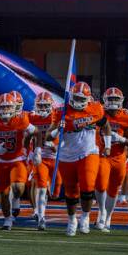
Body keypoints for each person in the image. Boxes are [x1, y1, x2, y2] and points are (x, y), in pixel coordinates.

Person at [49, 81, 111, 236]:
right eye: (76, 97)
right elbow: (48, 136)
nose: (78, 101)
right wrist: (58, 130)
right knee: (71, 192)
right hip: (67, 154)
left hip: (88, 152)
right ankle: (72, 220)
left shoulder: (96, 109)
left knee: (88, 186)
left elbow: (106, 126)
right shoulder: (61, 111)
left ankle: (85, 217)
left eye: (82, 98)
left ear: (88, 98)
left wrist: (108, 145)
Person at [0, 91, 35, 231]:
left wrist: (34, 149)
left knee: (18, 187)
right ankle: (7, 219)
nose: (5, 110)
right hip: (0, 161)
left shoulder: (22, 119)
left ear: (14, 108)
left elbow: (35, 132)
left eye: (8, 107)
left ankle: (16, 200)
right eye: (3, 107)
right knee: (3, 194)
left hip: (17, 159)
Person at [97, 87, 128, 231]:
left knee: (113, 190)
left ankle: (107, 218)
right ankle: (101, 212)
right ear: (105, 100)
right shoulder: (98, 111)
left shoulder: (127, 117)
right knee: (100, 185)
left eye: (116, 99)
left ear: (121, 101)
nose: (113, 102)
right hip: (102, 154)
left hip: (118, 157)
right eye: (110, 99)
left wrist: (120, 138)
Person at [29, 91, 58, 231]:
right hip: (40, 157)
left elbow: (68, 138)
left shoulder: (57, 117)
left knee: (55, 193)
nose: (43, 109)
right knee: (41, 188)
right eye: (40, 106)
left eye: (46, 105)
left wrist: (57, 147)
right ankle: (41, 217)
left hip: (57, 158)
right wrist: (31, 152)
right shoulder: (32, 118)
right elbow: (26, 136)